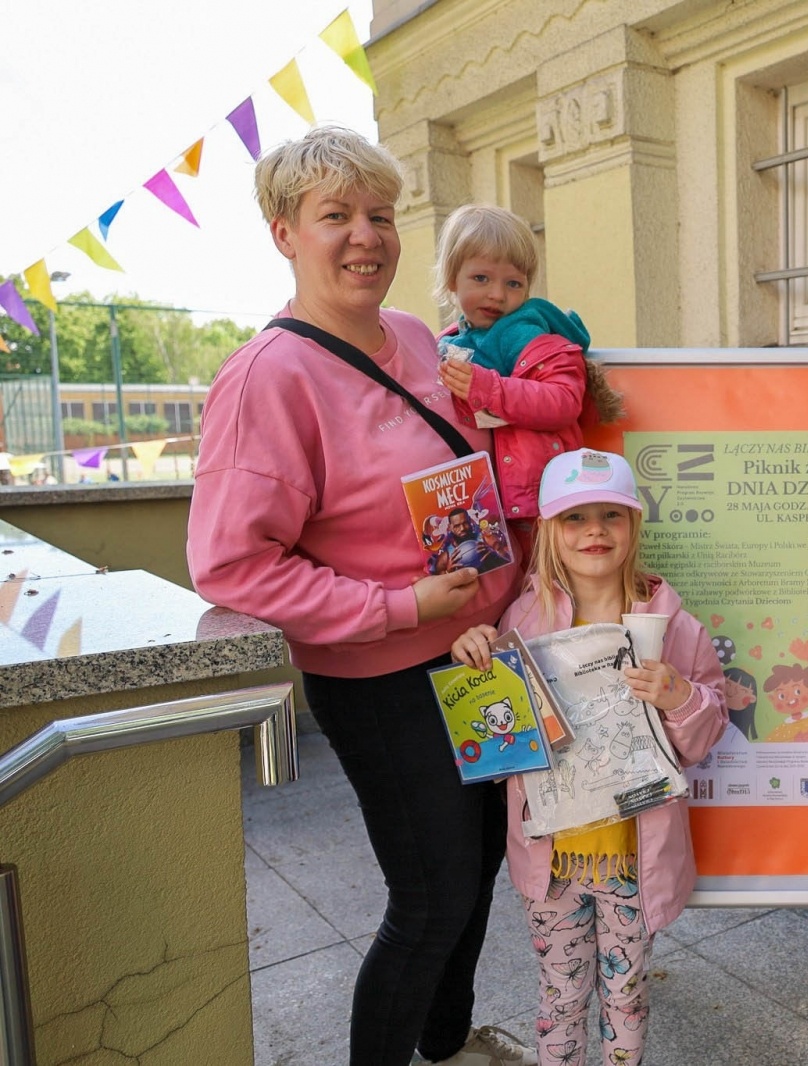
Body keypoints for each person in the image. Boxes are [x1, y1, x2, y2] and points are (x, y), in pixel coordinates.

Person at [186, 127, 535, 1066]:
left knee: (483, 864)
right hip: (384, 672)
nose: (364, 237)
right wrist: (400, 608)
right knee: (431, 894)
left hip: (480, 650)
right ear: (283, 234)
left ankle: (448, 1044)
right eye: (334, 216)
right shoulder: (268, 377)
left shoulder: (419, 338)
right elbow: (232, 567)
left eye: (379, 215)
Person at [449, 448, 727, 1066]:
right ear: (549, 530)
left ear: (634, 526)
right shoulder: (521, 620)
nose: (594, 531)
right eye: (574, 518)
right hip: (553, 857)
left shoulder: (674, 626)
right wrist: (474, 651)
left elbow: (706, 736)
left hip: (635, 855)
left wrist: (680, 696)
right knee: (560, 996)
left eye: (611, 515)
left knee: (625, 998)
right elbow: (499, 731)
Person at [433, 204, 624, 560]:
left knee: (549, 593)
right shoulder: (449, 344)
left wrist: (489, 389)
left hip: (543, 503)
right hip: (483, 507)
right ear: (450, 280)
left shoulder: (538, 339)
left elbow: (564, 401)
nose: (497, 294)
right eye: (481, 279)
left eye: (513, 283)